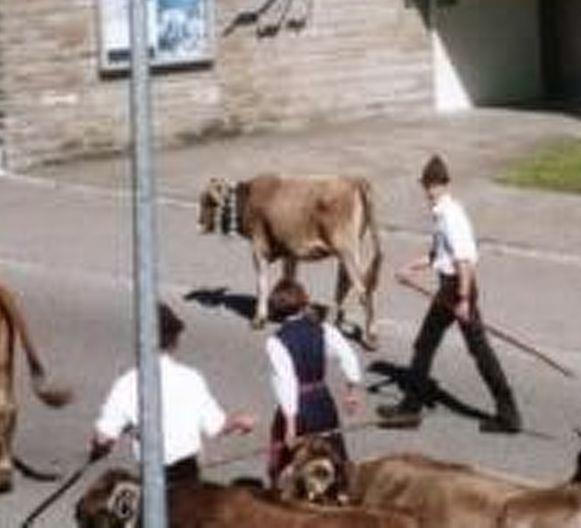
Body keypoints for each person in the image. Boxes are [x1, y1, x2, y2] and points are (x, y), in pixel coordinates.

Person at [378, 153, 523, 434]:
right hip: (452, 286)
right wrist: (410, 268)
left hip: (457, 287)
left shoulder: (450, 216)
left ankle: (506, 414)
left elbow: (464, 261)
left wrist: (464, 300)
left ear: (441, 184)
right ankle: (412, 407)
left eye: (432, 186)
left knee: (470, 349)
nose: (428, 191)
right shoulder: (442, 214)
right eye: (427, 186)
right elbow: (438, 255)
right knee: (430, 345)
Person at [91, 301, 257, 482]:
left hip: (151, 476)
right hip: (188, 477)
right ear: (174, 341)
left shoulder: (127, 383)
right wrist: (238, 421)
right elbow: (216, 426)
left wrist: (100, 448)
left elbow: (103, 438)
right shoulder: (191, 378)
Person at [264, 277, 364, 479]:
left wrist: (290, 424)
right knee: (331, 455)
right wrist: (352, 391)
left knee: (291, 466)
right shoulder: (323, 329)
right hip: (323, 401)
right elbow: (348, 356)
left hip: (300, 409)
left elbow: (286, 382)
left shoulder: (276, 341)